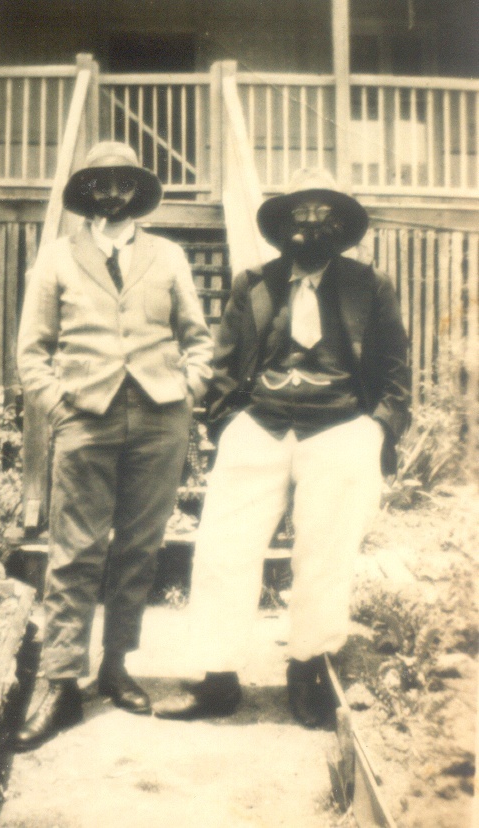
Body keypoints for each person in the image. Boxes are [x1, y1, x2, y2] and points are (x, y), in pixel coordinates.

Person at [154, 168, 410, 727]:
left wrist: (376, 430)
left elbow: (394, 376)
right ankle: (217, 678)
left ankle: (309, 672)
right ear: (283, 222)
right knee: (223, 547)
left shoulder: (371, 287)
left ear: (341, 226)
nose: (311, 226)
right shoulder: (254, 284)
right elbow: (223, 369)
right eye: (300, 213)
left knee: (324, 554)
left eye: (324, 215)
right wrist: (228, 424)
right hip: (262, 426)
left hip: (341, 429)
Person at [15, 141, 213, 749]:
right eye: (99, 185)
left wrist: (187, 389)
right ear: (86, 194)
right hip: (86, 419)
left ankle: (116, 666)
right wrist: (59, 404)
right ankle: (61, 684)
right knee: (74, 552)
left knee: (138, 548)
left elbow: (198, 339)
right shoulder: (57, 258)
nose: (111, 195)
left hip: (159, 420)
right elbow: (32, 351)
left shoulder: (169, 256)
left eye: (122, 185)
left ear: (136, 193)